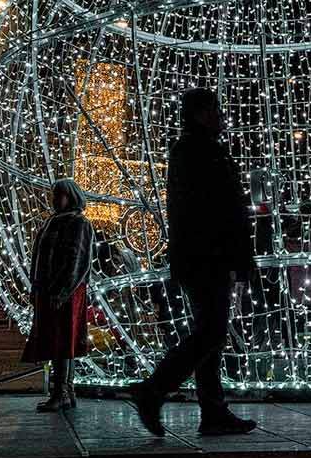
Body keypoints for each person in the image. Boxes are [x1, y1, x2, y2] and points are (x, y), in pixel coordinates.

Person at [128, 89, 258, 436]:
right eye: (216, 109)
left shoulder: (194, 150)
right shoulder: (197, 151)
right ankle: (153, 389)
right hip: (206, 258)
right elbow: (220, 211)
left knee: (211, 336)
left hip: (203, 257)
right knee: (210, 332)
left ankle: (213, 411)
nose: (221, 117)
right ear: (201, 114)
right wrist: (235, 254)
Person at [23, 179, 96, 412]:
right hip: (48, 290)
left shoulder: (78, 223)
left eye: (59, 195)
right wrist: (35, 287)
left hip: (66, 292)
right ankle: (65, 391)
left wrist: (63, 290)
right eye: (54, 195)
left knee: (62, 341)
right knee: (55, 340)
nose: (54, 200)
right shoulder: (52, 222)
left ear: (71, 196)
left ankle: (62, 392)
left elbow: (78, 260)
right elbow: (38, 258)